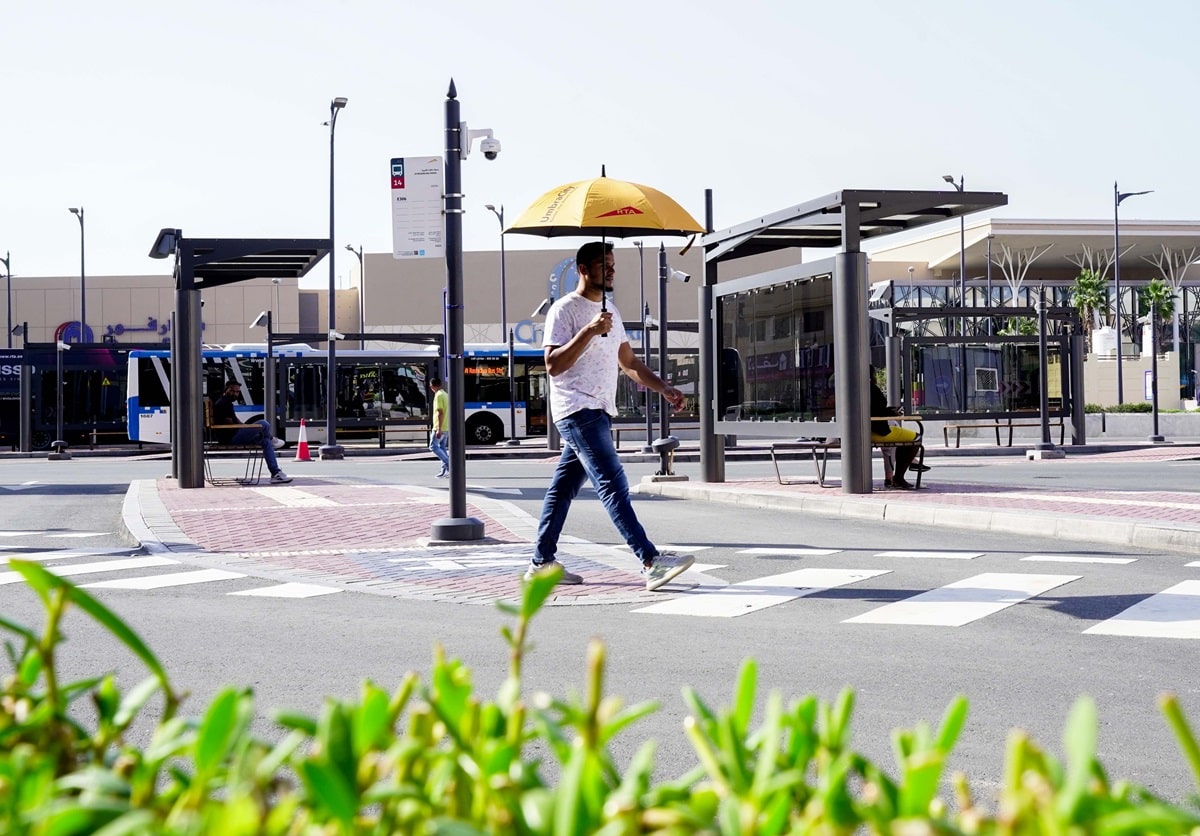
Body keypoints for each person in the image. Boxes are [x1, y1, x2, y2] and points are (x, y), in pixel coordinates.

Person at [528, 241, 694, 591]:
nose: (612, 270)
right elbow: (553, 365)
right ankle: (650, 560)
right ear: (583, 269)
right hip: (577, 409)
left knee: (562, 489)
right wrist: (588, 330)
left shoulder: (612, 313)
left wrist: (664, 387)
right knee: (612, 483)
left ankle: (542, 562)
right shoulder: (565, 310)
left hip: (599, 409)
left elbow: (629, 363)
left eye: (613, 264)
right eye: (604, 264)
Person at [211, 382, 292, 483]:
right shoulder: (223, 403)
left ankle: (276, 473)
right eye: (232, 390)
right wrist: (247, 429)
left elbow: (236, 420)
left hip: (234, 435)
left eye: (237, 392)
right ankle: (272, 439)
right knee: (263, 423)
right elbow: (230, 424)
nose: (235, 394)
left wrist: (247, 427)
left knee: (265, 442)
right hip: (231, 437)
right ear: (225, 390)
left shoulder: (227, 403)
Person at [867, 367, 926, 489]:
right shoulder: (872, 389)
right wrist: (894, 412)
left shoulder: (853, 390)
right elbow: (880, 410)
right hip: (877, 431)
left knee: (900, 439)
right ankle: (898, 477)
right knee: (915, 438)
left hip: (861, 431)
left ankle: (900, 472)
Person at [429, 376, 450, 478]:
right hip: (446, 426)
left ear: (431, 386)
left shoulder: (438, 396)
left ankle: (449, 464)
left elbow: (440, 412)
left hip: (439, 426)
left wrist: (438, 429)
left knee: (433, 446)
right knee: (442, 447)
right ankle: (444, 471)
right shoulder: (445, 394)